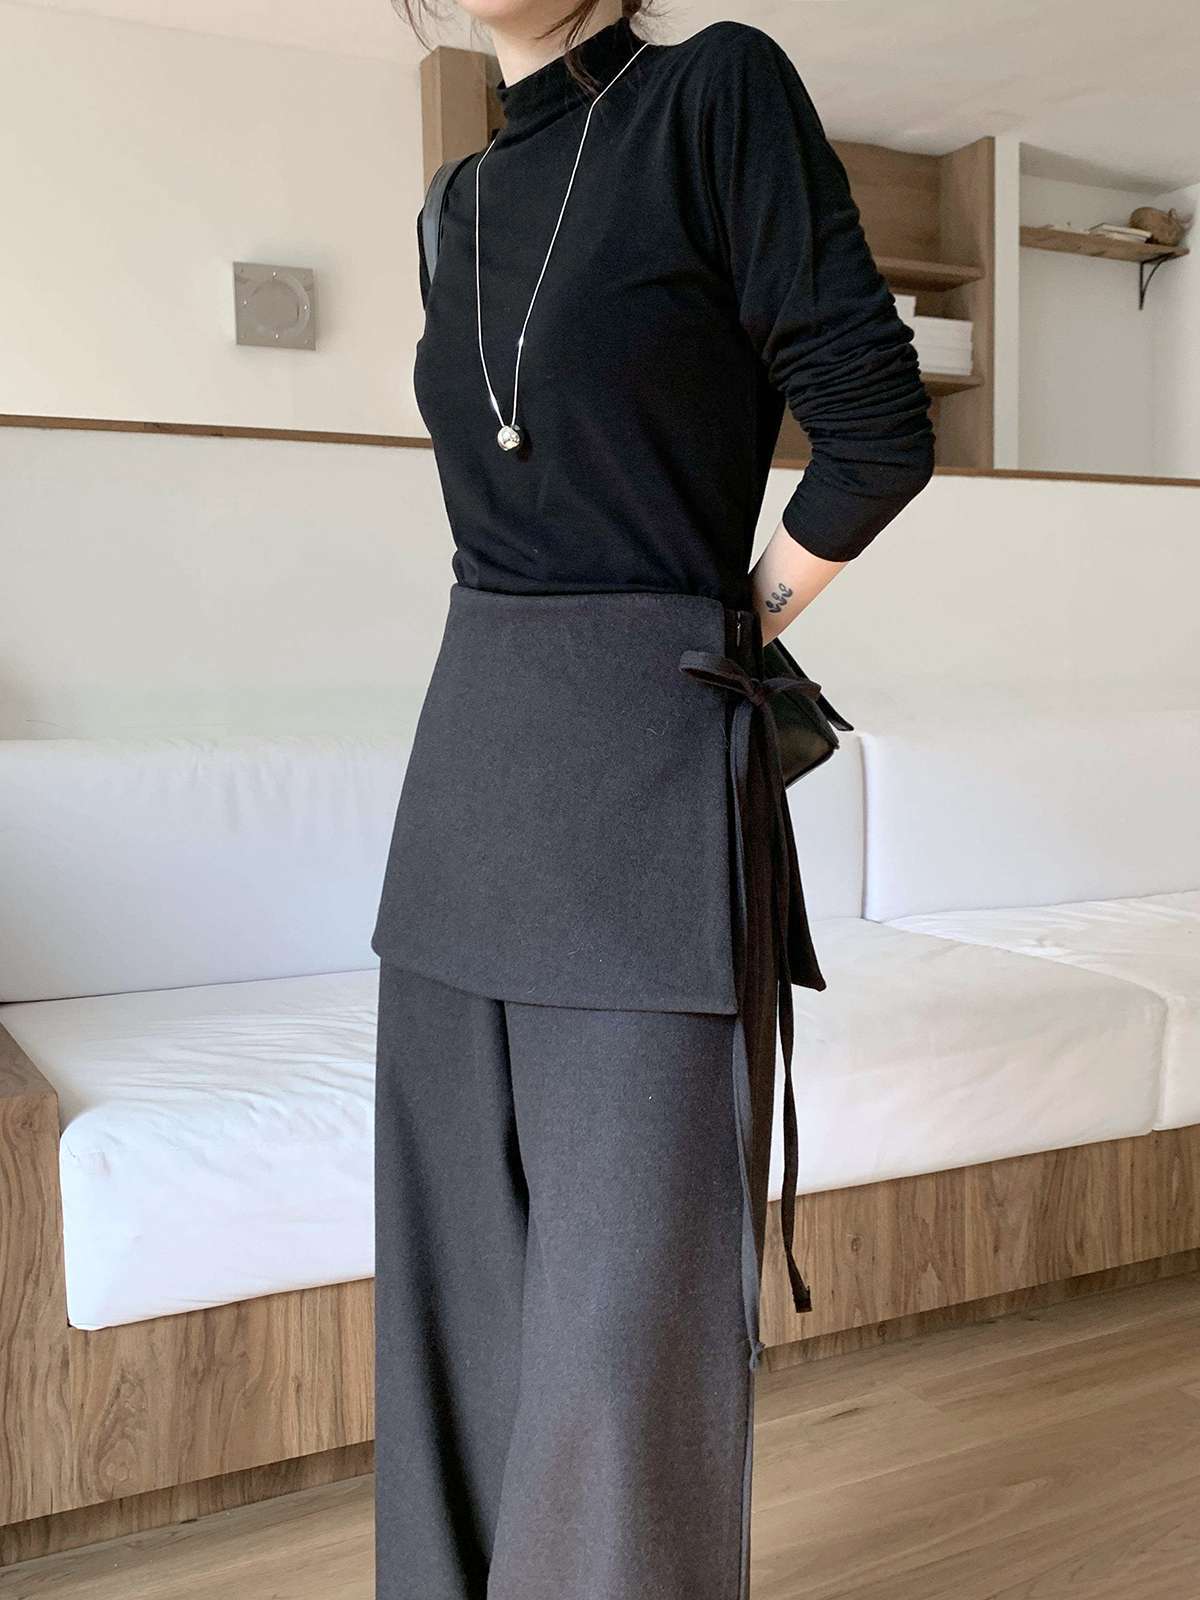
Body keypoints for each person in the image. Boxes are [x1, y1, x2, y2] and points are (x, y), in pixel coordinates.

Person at [372, 4, 935, 1598]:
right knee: (450, 1299)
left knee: (626, 1339)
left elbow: (878, 431)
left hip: (644, 774)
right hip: (465, 776)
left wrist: (733, 624)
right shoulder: (454, 202)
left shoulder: (713, 94)